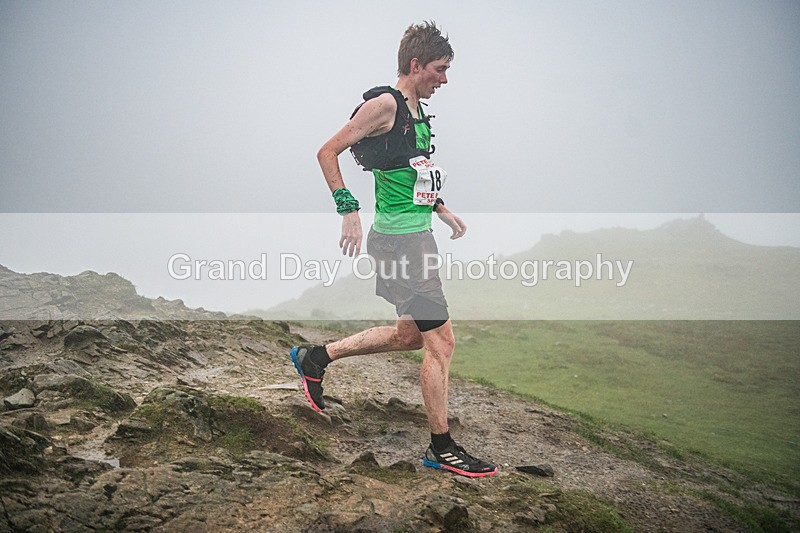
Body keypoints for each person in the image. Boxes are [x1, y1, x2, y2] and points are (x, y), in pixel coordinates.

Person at [291, 21, 497, 478]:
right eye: (440, 70)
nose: (445, 79)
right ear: (415, 64)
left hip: (415, 238)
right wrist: (348, 209)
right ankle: (441, 448)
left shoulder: (417, 110)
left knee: (409, 336)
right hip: (400, 243)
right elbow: (328, 151)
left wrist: (440, 207)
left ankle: (315, 357)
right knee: (441, 341)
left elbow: (406, 168)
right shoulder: (384, 104)